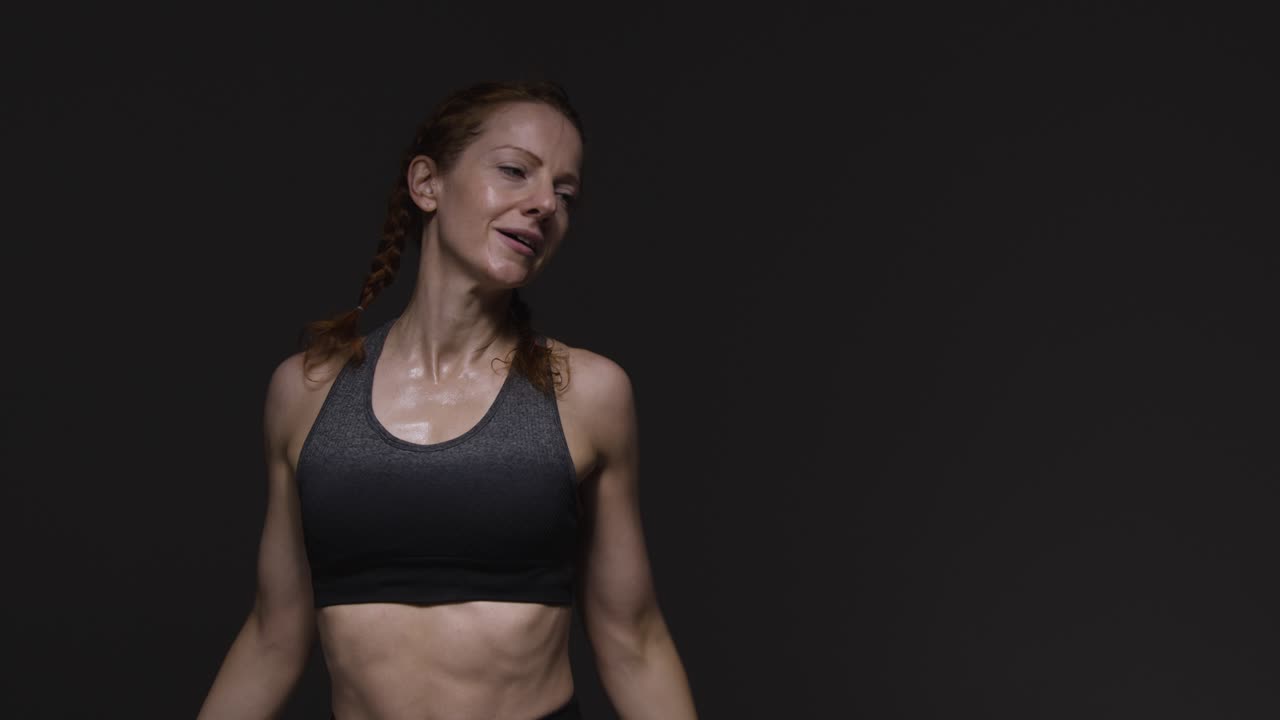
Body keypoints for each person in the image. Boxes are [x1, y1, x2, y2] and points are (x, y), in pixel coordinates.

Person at [197, 80, 697, 720]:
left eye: (564, 194)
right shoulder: (305, 391)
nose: (544, 203)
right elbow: (272, 637)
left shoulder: (587, 392)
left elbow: (635, 642)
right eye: (516, 171)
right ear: (427, 183)